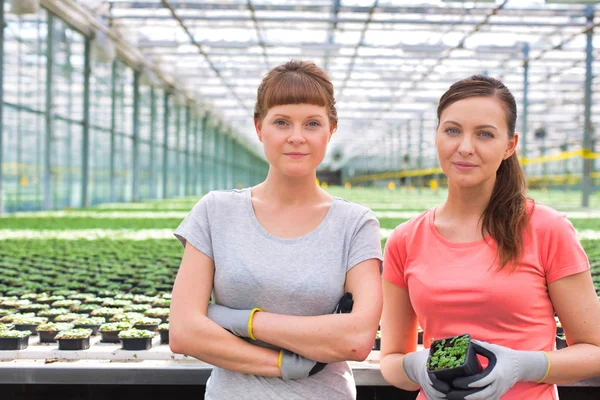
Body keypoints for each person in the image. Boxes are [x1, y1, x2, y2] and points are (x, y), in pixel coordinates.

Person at [169, 60, 383, 400]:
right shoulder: (215, 212)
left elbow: (357, 340)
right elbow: (184, 332)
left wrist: (240, 320)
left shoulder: (355, 223)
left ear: (331, 129)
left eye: (312, 123)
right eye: (281, 122)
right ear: (259, 127)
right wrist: (285, 363)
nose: (296, 137)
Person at [380, 74, 600, 400]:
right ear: (437, 136)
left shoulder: (546, 229)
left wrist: (524, 366)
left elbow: (594, 349)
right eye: (452, 130)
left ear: (510, 145)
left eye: (485, 134)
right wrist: (414, 367)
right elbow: (391, 359)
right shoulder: (405, 239)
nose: (465, 147)